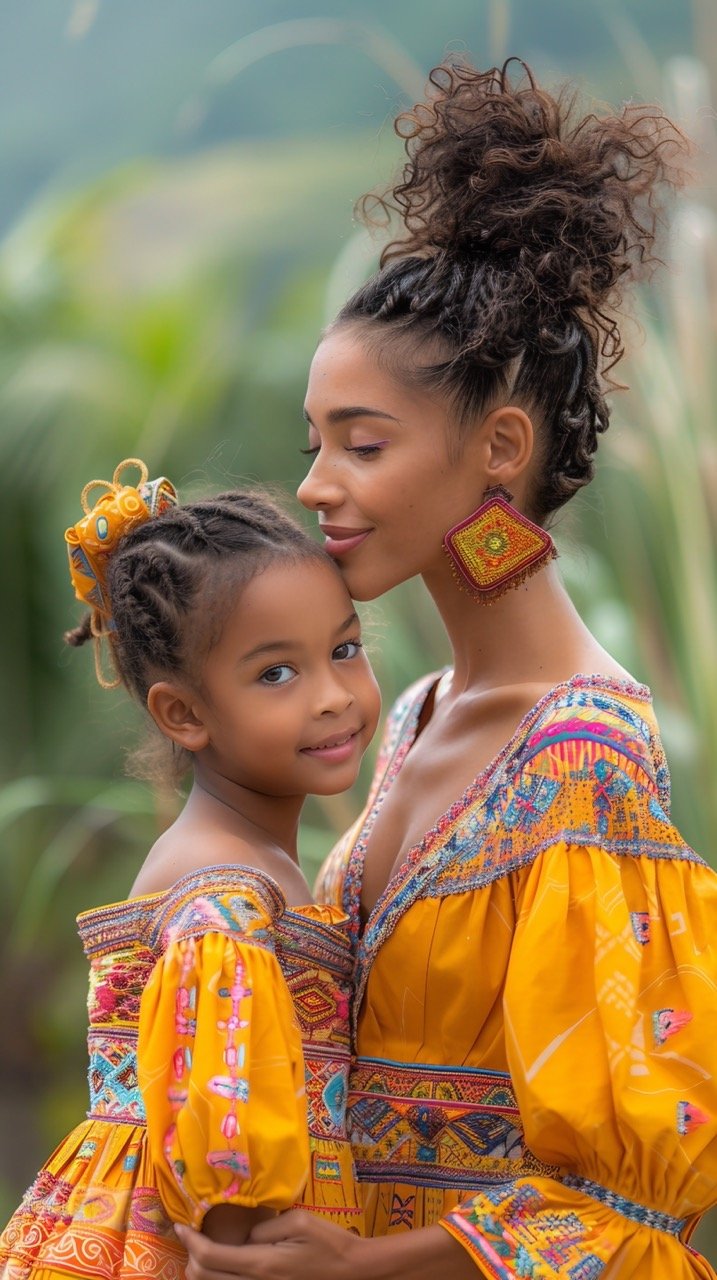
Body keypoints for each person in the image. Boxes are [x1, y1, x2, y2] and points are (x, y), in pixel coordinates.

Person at [177, 58, 717, 1280]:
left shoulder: (585, 756)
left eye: (361, 444)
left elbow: (629, 1210)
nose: (315, 484)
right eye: (313, 441)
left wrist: (359, 1267)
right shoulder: (414, 712)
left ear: (500, 448)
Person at [0, 459, 380, 1278]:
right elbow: (226, 1172)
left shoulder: (250, 859)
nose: (331, 695)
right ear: (182, 712)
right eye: (276, 673)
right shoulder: (223, 884)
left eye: (344, 649)